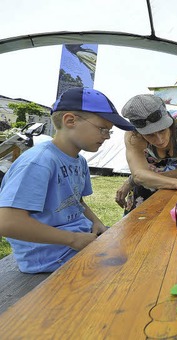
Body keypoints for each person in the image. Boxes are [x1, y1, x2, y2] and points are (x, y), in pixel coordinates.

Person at [0, 87, 135, 273]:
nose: (106, 137)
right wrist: (72, 239)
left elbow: (76, 201)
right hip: (52, 256)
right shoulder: (39, 162)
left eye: (108, 132)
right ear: (70, 120)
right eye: (102, 129)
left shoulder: (79, 161)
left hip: (77, 240)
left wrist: (97, 222)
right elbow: (7, 223)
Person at [114, 94, 177, 214]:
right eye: (149, 134)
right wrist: (176, 183)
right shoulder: (132, 135)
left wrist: (133, 181)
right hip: (161, 184)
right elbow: (139, 175)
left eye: (162, 130)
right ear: (138, 132)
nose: (159, 140)